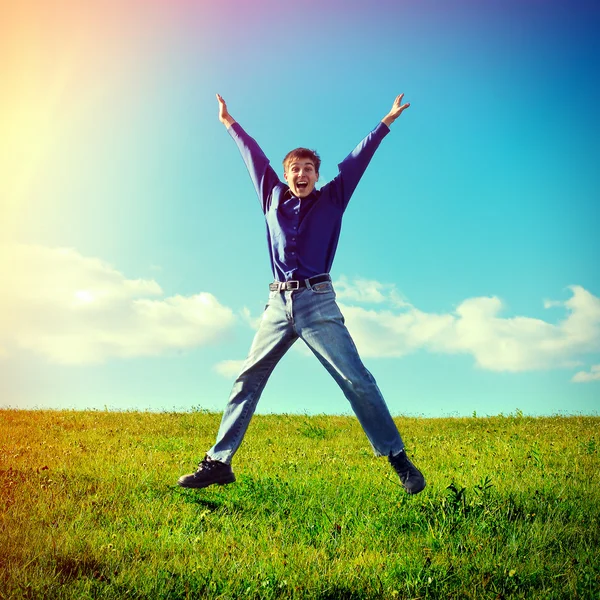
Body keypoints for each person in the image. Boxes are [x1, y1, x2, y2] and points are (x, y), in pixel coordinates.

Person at [178, 93, 426, 494]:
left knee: (356, 380)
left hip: (317, 302)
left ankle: (398, 459)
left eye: (309, 168)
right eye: (295, 168)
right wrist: (229, 122)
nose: (302, 173)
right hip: (277, 304)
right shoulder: (270, 195)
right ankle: (218, 462)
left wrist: (385, 122)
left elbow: (357, 159)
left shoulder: (333, 198)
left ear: (317, 175)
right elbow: (252, 155)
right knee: (247, 377)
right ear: (285, 173)